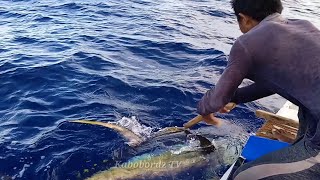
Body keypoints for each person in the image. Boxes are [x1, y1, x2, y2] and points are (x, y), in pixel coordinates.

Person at [196, 0, 320, 179]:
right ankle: (302, 149)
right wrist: (236, 97)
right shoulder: (304, 26)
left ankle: (309, 155)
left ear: (243, 18)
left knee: (243, 175)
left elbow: (216, 100)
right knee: (307, 108)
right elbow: (276, 82)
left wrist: (204, 109)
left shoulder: (246, 43)